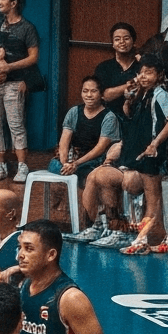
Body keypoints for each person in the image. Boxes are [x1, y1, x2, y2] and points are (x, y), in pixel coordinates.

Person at [101, 53, 168, 255]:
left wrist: (155, 143)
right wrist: (128, 100)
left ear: (159, 75)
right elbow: (131, 117)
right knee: (142, 194)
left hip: (153, 154)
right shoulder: (143, 94)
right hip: (140, 153)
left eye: (149, 72)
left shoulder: (160, 94)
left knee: (153, 200)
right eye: (141, 72)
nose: (144, 76)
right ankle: (149, 238)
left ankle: (145, 240)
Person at [0, 0, 40, 184]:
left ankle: (22, 166)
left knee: (15, 124)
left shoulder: (27, 28)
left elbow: (33, 58)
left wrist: (10, 67)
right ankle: (1, 166)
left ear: (13, 3)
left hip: (14, 82)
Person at [49, 76, 118, 237]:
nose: (89, 95)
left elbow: (100, 148)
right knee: (55, 168)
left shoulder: (109, 117)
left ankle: (91, 222)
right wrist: (65, 163)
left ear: (101, 94)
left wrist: (76, 164)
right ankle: (62, 220)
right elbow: (64, 141)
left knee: (90, 177)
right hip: (73, 158)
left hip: (94, 160)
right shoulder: (74, 112)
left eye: (93, 91)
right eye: (85, 91)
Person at [93, 23, 140, 97]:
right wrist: (130, 85)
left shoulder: (141, 65)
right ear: (113, 44)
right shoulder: (104, 67)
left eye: (126, 38)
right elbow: (103, 96)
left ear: (133, 42)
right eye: (117, 39)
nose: (122, 42)